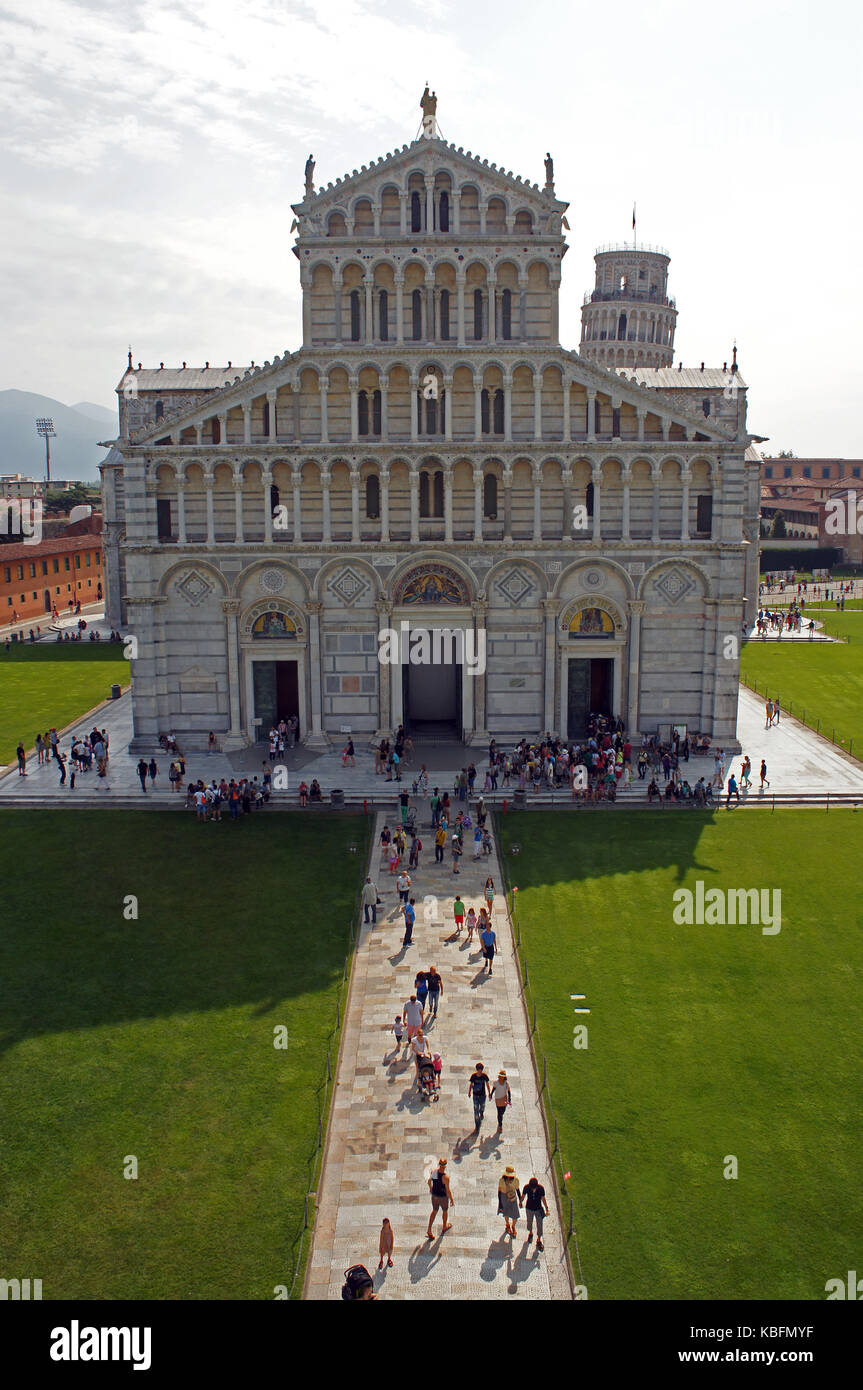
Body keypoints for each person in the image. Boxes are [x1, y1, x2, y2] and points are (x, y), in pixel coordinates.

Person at [427, 1158, 453, 1240]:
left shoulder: (434, 1172)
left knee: (434, 1211)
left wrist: (430, 1187)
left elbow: (429, 1181)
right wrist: (452, 1199)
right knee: (445, 1211)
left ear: (439, 1164)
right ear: (445, 1166)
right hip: (443, 1197)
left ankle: (429, 1229)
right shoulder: (445, 1177)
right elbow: (448, 1190)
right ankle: (444, 1226)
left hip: (434, 1196)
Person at [522, 1176, 550, 1251]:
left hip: (538, 1209)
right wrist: (521, 1201)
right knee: (529, 1222)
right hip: (529, 1208)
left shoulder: (541, 1188)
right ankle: (530, 1233)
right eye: (532, 1188)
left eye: (534, 1188)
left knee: (540, 1224)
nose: (533, 1190)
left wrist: (546, 1207)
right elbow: (523, 1196)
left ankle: (538, 1239)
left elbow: (543, 1198)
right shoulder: (526, 1187)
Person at [498, 1165, 521, 1238]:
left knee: (515, 1215)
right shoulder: (501, 1180)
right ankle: (507, 1224)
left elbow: (517, 1189)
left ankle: (513, 1226)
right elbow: (499, 1191)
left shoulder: (516, 1180)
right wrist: (500, 1203)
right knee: (506, 1213)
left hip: (512, 1198)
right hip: (504, 1197)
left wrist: (520, 1199)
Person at [468, 1062, 491, 1130]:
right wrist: (469, 1092)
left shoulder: (484, 1076)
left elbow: (487, 1084)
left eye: (481, 1070)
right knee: (475, 1110)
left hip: (482, 1095)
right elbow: (471, 1084)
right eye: (479, 1070)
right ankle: (477, 1125)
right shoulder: (473, 1076)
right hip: (475, 1095)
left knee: (482, 1106)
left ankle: (481, 1112)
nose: (480, 1072)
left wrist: (489, 1092)